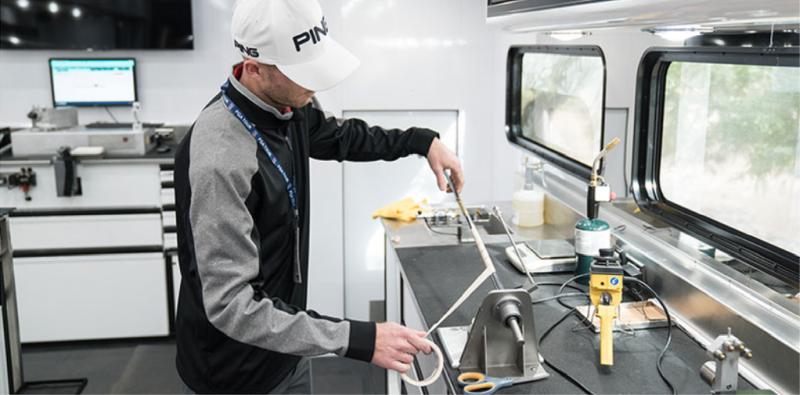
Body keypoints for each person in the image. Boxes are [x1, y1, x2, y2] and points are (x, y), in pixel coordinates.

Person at [173, 0, 464, 393]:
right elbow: (231, 306)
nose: (314, 86)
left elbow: (340, 137)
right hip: (235, 373)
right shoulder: (220, 158)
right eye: (302, 72)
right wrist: (359, 339)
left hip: (287, 345)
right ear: (254, 66)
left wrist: (422, 141)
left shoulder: (286, 104)